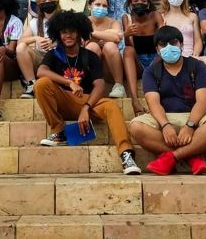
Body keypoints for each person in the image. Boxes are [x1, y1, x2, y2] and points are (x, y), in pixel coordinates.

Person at [34, 11, 142, 175]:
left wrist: (86, 107)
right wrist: (69, 82)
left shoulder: (89, 56)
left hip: (87, 101)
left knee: (111, 106)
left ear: (79, 33)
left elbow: (99, 85)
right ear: (58, 34)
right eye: (63, 32)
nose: (68, 35)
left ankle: (126, 154)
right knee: (41, 84)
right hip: (63, 99)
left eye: (72, 31)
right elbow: (41, 71)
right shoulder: (54, 54)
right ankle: (59, 131)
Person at [129, 26, 206, 175]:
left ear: (182, 45)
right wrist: (165, 126)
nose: (168, 47)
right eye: (163, 44)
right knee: (136, 127)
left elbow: (202, 101)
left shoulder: (198, 66)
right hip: (164, 118)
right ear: (157, 49)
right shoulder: (151, 71)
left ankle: (174, 156)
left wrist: (190, 126)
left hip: (194, 117)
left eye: (173, 42)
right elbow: (153, 103)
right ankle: (192, 156)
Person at [160, 0, 206, 108]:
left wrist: (196, 53)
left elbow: (198, 40)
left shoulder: (192, 16)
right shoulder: (161, 17)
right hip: (172, 57)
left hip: (191, 55)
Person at [122, 0, 165, 114]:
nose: (139, 2)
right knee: (128, 50)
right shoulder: (127, 18)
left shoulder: (155, 15)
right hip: (138, 61)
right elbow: (129, 46)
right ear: (130, 4)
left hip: (156, 59)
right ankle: (135, 101)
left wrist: (161, 29)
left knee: (163, 51)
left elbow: (163, 37)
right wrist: (127, 34)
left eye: (143, 0)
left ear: (148, 3)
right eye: (136, 1)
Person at [17, 0, 61, 98]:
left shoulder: (65, 18)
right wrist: (36, 38)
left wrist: (55, 43)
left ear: (56, 0)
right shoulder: (35, 22)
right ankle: (31, 84)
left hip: (60, 57)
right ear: (39, 4)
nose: (47, 2)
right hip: (40, 57)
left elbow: (75, 40)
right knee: (21, 47)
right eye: (43, 1)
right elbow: (21, 40)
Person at [86, 0, 126, 98]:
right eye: (98, 4)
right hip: (92, 67)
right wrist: (108, 34)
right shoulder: (84, 21)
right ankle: (90, 85)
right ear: (89, 6)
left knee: (109, 46)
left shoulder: (113, 22)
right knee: (92, 47)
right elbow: (82, 42)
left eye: (104, 6)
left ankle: (119, 86)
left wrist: (93, 33)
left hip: (110, 67)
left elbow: (117, 37)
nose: (101, 8)